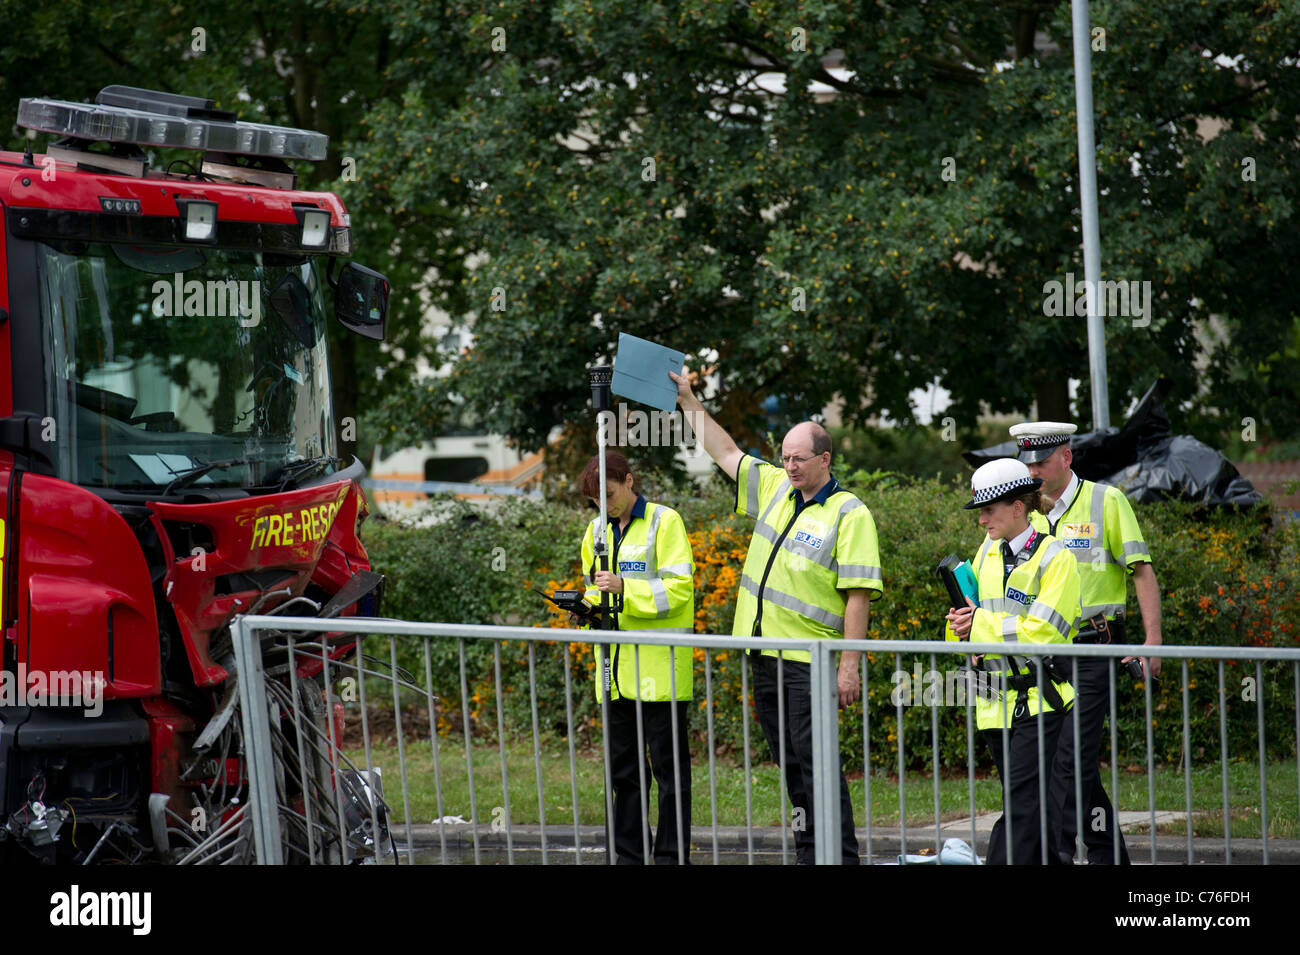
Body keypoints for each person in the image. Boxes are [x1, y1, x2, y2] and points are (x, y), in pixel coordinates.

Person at [670, 367, 881, 865]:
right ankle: (810, 853)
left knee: (818, 767)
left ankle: (840, 857)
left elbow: (858, 596)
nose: (788, 466)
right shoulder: (774, 489)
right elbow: (724, 451)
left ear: (824, 459)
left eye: (799, 459)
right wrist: (688, 401)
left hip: (811, 662)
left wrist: (848, 665)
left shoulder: (850, 513)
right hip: (765, 657)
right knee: (791, 767)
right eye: (784, 457)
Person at [1011, 421, 1163, 865]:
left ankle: (1057, 855)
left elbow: (1141, 571)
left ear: (1066, 457)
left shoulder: (1105, 500)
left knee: (1069, 761)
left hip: (1094, 647)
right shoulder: (1029, 512)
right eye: (1028, 464)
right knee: (1071, 765)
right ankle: (1107, 855)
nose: (1034, 471)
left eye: (1041, 462)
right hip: (1044, 651)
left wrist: (1151, 642)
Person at [945, 457, 1079, 865]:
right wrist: (959, 625)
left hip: (1041, 702)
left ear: (1017, 507)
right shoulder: (988, 551)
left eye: (988, 510)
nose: (982, 520)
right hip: (994, 704)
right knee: (1030, 808)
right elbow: (977, 619)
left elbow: (1045, 632)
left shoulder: (1056, 558)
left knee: (1023, 807)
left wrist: (980, 624)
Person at [578, 451, 695, 865]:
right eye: (595, 501)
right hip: (615, 672)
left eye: (609, 495)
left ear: (629, 481)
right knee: (623, 772)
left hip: (661, 669)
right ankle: (628, 856)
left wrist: (623, 587)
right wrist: (584, 605)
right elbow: (596, 587)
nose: (603, 506)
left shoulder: (666, 522)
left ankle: (671, 858)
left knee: (670, 774)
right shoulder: (596, 531)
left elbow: (679, 589)